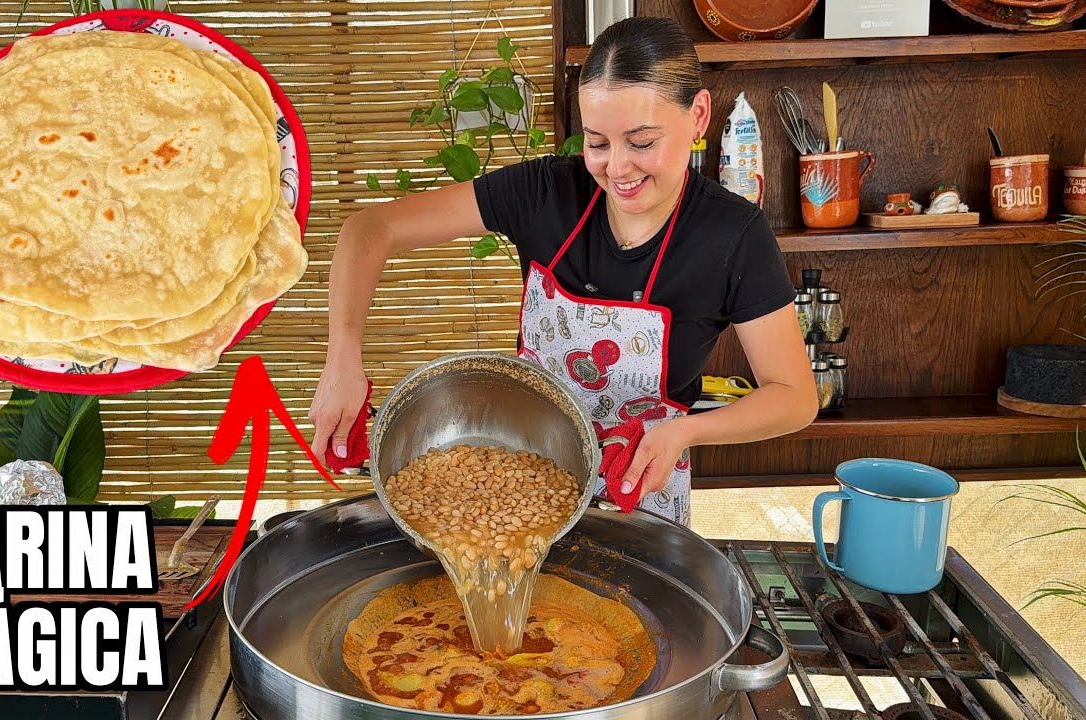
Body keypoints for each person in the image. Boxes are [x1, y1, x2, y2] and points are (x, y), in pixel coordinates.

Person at [310, 16, 817, 525]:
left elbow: (794, 399)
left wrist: (683, 432)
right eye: (597, 143)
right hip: (524, 474)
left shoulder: (733, 235)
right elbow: (368, 229)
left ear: (699, 116)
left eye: (641, 142)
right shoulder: (544, 194)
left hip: (642, 487)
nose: (617, 168)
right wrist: (342, 359)